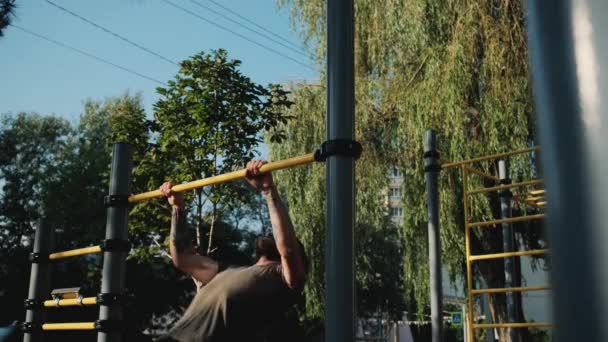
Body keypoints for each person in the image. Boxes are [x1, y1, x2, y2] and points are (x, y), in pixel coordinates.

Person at [156, 160, 307, 342]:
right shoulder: (223, 271)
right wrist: (178, 208)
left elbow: (288, 249)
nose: (271, 234)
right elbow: (181, 258)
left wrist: (268, 190)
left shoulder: (284, 281)